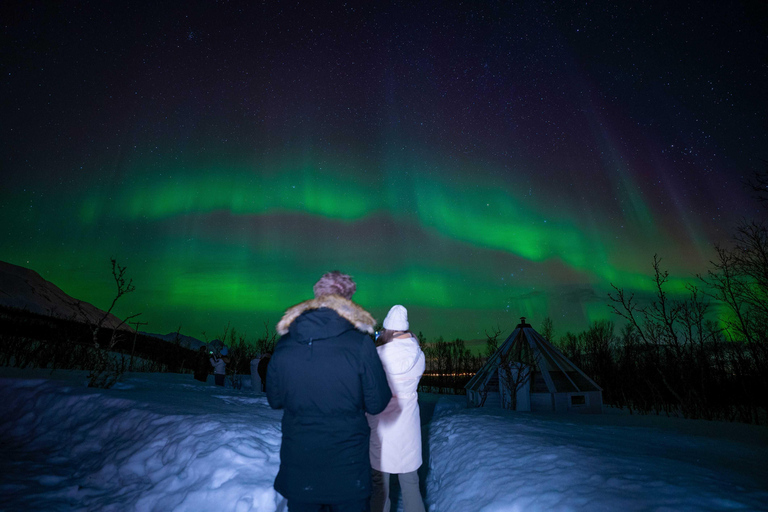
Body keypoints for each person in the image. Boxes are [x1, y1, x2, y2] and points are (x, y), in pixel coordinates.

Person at [267, 271, 392, 512]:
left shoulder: (285, 344)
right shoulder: (360, 344)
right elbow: (377, 403)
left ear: (316, 297)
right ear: (347, 300)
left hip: (300, 464)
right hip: (347, 468)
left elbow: (275, 399)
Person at [367, 305, 426, 512]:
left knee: (380, 489)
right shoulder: (418, 355)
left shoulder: (376, 356)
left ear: (388, 329)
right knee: (411, 485)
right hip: (408, 428)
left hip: (382, 427)